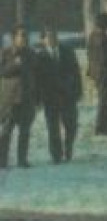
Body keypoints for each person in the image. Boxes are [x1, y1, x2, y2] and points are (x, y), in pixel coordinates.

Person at [35, 28, 83, 163]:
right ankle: (56, 155)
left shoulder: (67, 52)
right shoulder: (40, 57)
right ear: (43, 40)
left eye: (54, 36)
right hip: (50, 98)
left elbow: (76, 72)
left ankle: (68, 149)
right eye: (48, 37)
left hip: (68, 96)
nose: (52, 39)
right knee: (53, 127)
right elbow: (37, 79)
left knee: (71, 126)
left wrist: (78, 91)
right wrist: (38, 98)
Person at [0, 25, 38, 169]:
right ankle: (2, 161)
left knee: (25, 132)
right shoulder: (5, 53)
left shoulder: (31, 54)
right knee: (6, 132)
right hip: (10, 100)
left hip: (27, 99)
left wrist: (37, 98)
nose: (24, 39)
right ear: (14, 37)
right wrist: (14, 64)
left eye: (26, 36)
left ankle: (22, 160)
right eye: (21, 35)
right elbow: (2, 72)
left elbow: (37, 75)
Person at [86, 12, 107, 135]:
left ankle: (105, 125)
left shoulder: (92, 36)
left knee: (103, 100)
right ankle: (101, 126)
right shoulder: (103, 38)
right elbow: (105, 58)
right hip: (105, 74)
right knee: (104, 101)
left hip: (96, 73)